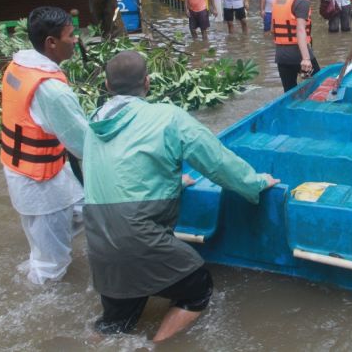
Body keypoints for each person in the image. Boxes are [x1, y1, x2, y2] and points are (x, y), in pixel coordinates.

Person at [82, 51, 279, 343]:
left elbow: (121, 179)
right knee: (197, 288)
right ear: (147, 83)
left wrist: (175, 183)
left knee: (117, 322)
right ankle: (156, 346)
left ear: (108, 87)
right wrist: (255, 184)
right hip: (138, 236)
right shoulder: (168, 117)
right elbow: (218, 163)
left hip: (99, 242)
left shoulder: (92, 128)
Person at [0, 6, 87, 284]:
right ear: (51, 43)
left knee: (87, 209)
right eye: (71, 35)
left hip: (29, 171)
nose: (76, 40)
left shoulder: (19, 66)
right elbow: (84, 144)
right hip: (41, 184)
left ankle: (41, 257)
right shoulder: (51, 90)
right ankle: (41, 305)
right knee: (52, 266)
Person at [272, 0, 321, 91]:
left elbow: (273, 30)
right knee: (320, 86)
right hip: (298, 55)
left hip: (281, 56)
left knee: (289, 93)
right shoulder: (301, 0)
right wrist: (306, 58)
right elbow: (300, 30)